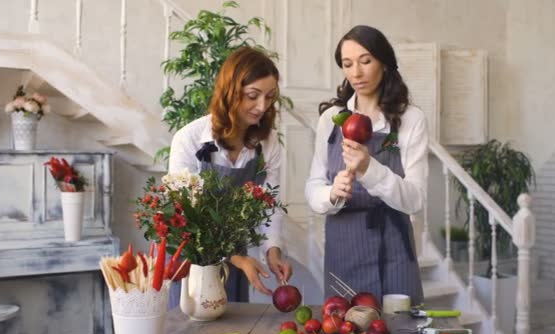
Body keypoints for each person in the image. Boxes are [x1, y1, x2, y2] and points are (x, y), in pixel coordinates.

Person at [305, 25, 428, 305]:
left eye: (366, 61)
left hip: (394, 251)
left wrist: (369, 169)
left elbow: (415, 199)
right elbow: (313, 187)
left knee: (399, 331)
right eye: (347, 64)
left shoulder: (410, 119)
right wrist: (332, 193)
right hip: (344, 249)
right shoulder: (333, 119)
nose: (356, 73)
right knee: (346, 330)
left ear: (383, 62)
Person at [168, 46, 292, 302]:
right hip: (194, 260)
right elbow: (187, 218)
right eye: (252, 96)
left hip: (239, 260)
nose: (261, 107)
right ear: (230, 92)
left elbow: (271, 205)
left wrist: (273, 252)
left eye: (269, 97)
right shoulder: (188, 140)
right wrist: (236, 258)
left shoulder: (267, 144)